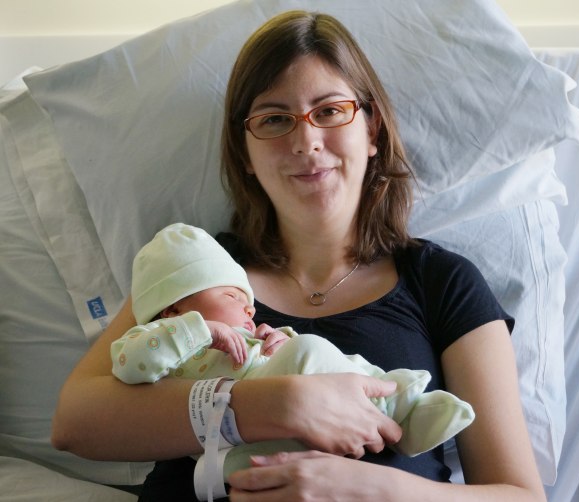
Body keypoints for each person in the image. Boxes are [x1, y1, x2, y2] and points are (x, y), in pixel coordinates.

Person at [51, 9, 546, 502]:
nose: (306, 140)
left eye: (330, 111)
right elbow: (76, 422)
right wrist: (274, 404)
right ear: (245, 154)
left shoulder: (442, 282)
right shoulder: (199, 264)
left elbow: (521, 495)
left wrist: (379, 489)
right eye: (274, 119)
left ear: (371, 130)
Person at [111, 222, 475, 499]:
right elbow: (128, 363)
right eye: (231, 295)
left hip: (287, 444)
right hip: (233, 458)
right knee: (309, 352)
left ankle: (400, 402)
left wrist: (278, 343)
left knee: (321, 355)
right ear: (174, 307)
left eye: (248, 299)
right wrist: (200, 330)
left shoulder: (439, 276)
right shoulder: (166, 338)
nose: (249, 307)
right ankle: (396, 409)